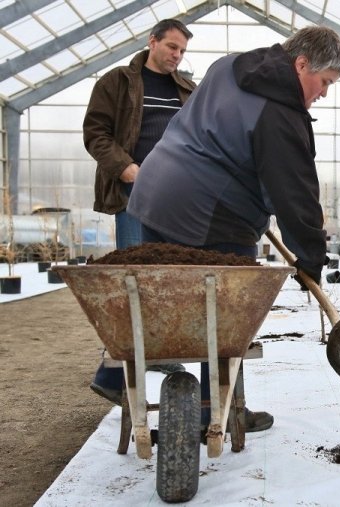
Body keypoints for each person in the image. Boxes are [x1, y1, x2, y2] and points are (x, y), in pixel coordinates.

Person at [127, 25, 340, 432]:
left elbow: (221, 134)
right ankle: (219, 411)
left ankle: (115, 372)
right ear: (301, 65)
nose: (324, 93)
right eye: (325, 82)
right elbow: (294, 194)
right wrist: (312, 258)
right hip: (211, 212)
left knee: (156, 300)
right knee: (228, 319)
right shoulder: (280, 112)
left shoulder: (231, 65)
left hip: (154, 191)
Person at [83, 18, 195, 404]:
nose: (177, 56)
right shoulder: (117, 83)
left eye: (182, 51)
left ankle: (158, 356)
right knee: (135, 282)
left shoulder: (187, 90)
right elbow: (96, 133)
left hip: (175, 202)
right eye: (172, 47)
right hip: (133, 196)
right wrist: (127, 168)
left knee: (169, 281)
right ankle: (114, 370)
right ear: (152, 42)